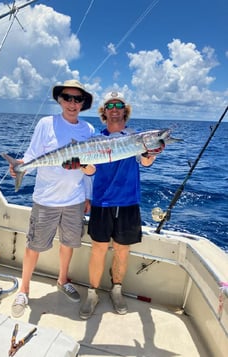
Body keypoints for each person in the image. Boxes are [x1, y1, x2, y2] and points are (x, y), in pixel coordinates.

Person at [9, 80, 96, 318]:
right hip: (46, 199)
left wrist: (88, 195)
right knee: (33, 246)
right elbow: (32, 155)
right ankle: (24, 289)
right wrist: (20, 167)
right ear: (60, 100)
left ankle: (62, 280)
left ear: (83, 104)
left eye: (77, 99)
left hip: (75, 200)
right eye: (67, 97)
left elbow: (90, 167)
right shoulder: (47, 123)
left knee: (68, 244)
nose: (72, 103)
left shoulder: (88, 130)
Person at [79, 91, 164, 320]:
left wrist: (151, 152)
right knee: (98, 249)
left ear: (125, 110)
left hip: (128, 201)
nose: (114, 108)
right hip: (102, 201)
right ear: (104, 112)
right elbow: (90, 170)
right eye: (110, 105)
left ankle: (116, 289)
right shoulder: (95, 139)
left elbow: (145, 162)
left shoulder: (136, 137)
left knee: (122, 250)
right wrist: (82, 165)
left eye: (119, 104)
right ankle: (93, 293)